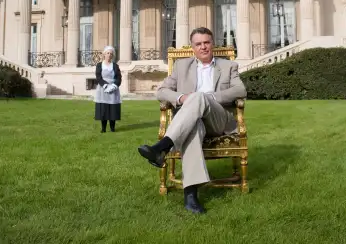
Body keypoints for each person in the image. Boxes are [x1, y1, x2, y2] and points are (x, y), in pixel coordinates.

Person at [137, 27, 247, 214]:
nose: (203, 47)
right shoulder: (182, 66)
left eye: (207, 42)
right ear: (193, 48)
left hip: (218, 121)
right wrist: (181, 98)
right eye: (199, 44)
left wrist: (208, 97)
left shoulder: (229, 66)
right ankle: (191, 196)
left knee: (199, 97)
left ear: (212, 43)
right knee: (193, 128)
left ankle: (163, 146)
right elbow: (161, 91)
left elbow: (240, 91)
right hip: (190, 121)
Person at [94, 46, 122, 133]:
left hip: (113, 89)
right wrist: (105, 85)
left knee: (112, 108)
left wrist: (114, 86)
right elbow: (98, 77)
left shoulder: (115, 66)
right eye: (108, 53)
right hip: (103, 89)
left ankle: (112, 128)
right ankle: (103, 128)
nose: (109, 55)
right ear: (104, 54)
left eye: (111, 53)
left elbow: (119, 78)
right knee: (104, 108)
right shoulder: (99, 65)